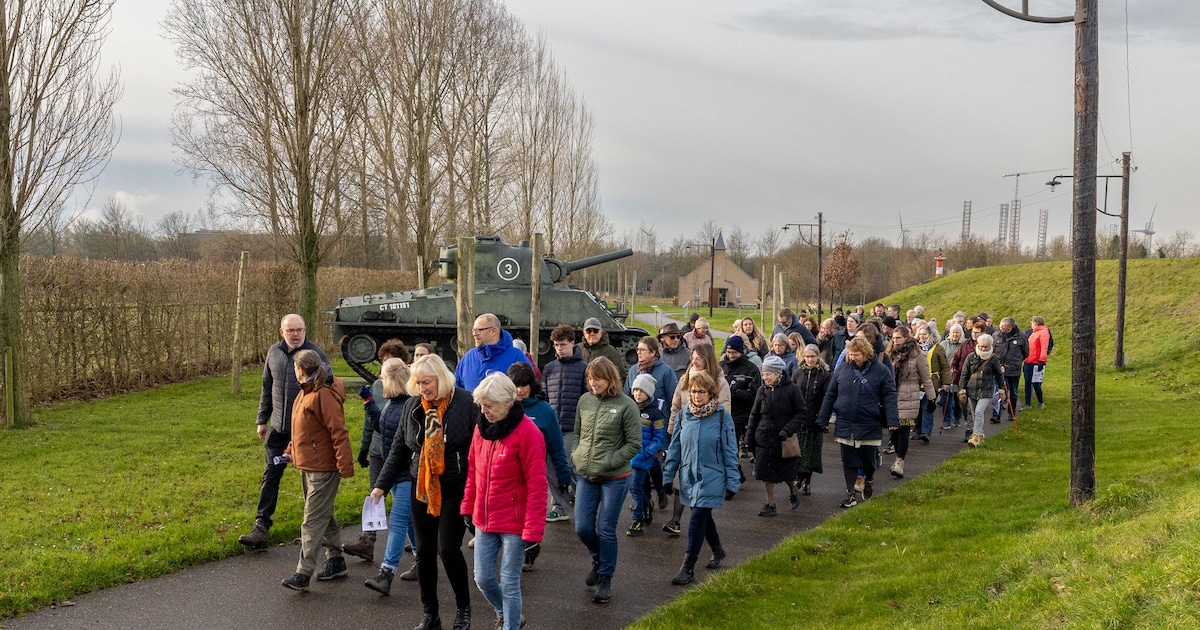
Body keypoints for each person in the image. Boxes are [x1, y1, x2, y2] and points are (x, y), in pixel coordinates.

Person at [372, 354, 478, 630]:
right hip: (422, 487)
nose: (422, 388)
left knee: (448, 549)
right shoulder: (412, 406)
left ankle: (463, 609)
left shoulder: (466, 403)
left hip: (455, 486)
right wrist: (381, 486)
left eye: (426, 382)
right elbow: (399, 448)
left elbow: (479, 449)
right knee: (425, 552)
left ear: (440, 379)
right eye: (417, 383)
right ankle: (430, 615)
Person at [462, 373, 547, 630]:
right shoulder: (480, 428)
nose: (484, 411)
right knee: (483, 579)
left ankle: (510, 624)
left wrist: (532, 531)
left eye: (490, 405)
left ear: (508, 401)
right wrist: (468, 506)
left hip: (515, 523)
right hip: (485, 519)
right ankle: (506, 612)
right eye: (482, 405)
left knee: (509, 582)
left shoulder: (528, 434)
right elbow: (473, 471)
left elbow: (537, 485)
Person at [239, 314, 328, 550]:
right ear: (282, 332)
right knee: (271, 475)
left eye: (300, 330)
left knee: (310, 483)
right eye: (291, 331)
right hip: (278, 429)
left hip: (307, 433)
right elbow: (267, 388)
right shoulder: (273, 353)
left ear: (305, 330)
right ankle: (261, 527)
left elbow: (326, 395)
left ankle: (314, 534)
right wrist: (262, 420)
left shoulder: (316, 356)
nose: (296, 334)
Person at [280, 349, 354, 592]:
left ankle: (303, 572)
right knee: (322, 513)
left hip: (324, 467)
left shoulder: (323, 394)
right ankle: (335, 559)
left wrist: (344, 465)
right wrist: (291, 449)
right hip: (308, 463)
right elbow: (301, 428)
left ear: (301, 370)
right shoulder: (306, 391)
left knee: (312, 519)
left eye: (294, 368)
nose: (294, 371)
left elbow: (339, 432)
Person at [572, 356, 641, 604]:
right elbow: (578, 433)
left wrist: (611, 461)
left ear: (610, 378)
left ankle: (605, 577)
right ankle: (598, 558)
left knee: (606, 529)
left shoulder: (626, 405)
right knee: (581, 527)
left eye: (597, 379)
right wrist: (576, 455)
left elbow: (635, 444)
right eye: (590, 378)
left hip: (615, 477)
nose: (593, 383)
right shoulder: (584, 401)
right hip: (586, 475)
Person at [663, 371, 740, 585]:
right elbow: (675, 448)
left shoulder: (722, 416)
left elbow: (730, 451)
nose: (696, 396)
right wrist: (668, 477)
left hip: (712, 477)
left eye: (701, 392)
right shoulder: (682, 416)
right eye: (693, 391)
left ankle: (688, 567)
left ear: (711, 393)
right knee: (704, 518)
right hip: (689, 476)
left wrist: (733, 482)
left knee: (697, 516)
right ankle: (718, 550)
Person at [345, 339, 411, 563]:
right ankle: (367, 540)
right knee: (374, 494)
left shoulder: (411, 392)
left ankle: (397, 562)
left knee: (401, 514)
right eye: (384, 361)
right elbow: (372, 421)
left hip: (399, 455)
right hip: (378, 449)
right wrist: (364, 447)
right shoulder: (377, 385)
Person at [817, 337, 899, 509]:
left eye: (857, 354)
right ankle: (850, 494)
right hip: (845, 423)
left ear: (866, 353)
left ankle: (868, 479)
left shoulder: (881, 371)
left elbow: (889, 396)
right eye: (851, 354)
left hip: (869, 422)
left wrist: (892, 420)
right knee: (848, 461)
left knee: (868, 460)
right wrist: (823, 418)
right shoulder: (842, 370)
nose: (853, 357)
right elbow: (831, 394)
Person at [363, 358, 419, 594]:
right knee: (407, 521)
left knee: (397, 521)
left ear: (392, 379)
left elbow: (399, 448)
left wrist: (383, 481)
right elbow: (383, 427)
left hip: (405, 474)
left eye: (383, 377)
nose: (380, 380)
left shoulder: (405, 408)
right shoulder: (393, 404)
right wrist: (368, 403)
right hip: (396, 474)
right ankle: (422, 559)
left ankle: (387, 573)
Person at [663, 343, 732, 535]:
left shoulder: (719, 382)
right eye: (692, 357)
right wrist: (672, 430)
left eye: (699, 358)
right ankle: (676, 520)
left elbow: (724, 412)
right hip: (685, 435)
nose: (694, 361)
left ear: (707, 359)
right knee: (681, 480)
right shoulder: (686, 378)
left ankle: (708, 547)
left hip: (708, 440)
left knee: (699, 501)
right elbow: (676, 404)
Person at [508, 362, 574, 530]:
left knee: (553, 475)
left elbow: (556, 445)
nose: (520, 390)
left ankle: (560, 507)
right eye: (516, 385)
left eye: (524, 385)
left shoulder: (544, 410)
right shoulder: (504, 407)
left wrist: (563, 473)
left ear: (532, 385)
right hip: (510, 464)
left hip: (538, 462)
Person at [745, 355, 804, 515]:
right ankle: (770, 504)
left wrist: (788, 429)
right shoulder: (761, 390)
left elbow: (801, 412)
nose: (765, 377)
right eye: (763, 374)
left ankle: (793, 490)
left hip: (782, 440)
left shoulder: (792, 390)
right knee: (765, 474)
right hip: (763, 439)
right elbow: (754, 415)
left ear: (778, 374)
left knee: (786, 474)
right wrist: (749, 438)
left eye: (768, 374)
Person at [886, 325, 934, 479]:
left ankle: (900, 461)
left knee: (904, 431)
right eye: (894, 338)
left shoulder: (917, 355)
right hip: (891, 396)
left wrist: (931, 397)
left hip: (909, 396)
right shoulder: (890, 354)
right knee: (893, 430)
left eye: (898, 338)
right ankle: (897, 456)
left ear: (907, 338)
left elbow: (926, 378)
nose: (895, 341)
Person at [625, 373, 667, 537]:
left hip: (642, 457)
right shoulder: (629, 408)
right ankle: (647, 504)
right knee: (633, 488)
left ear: (649, 393)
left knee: (635, 489)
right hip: (627, 456)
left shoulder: (655, 413)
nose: (637, 394)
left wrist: (647, 452)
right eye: (635, 390)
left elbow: (658, 437)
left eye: (641, 391)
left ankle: (637, 520)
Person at [542, 324, 587, 465]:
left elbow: (587, 399)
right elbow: (544, 398)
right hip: (552, 427)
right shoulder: (549, 368)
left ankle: (575, 488)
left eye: (563, 344)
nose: (559, 348)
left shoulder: (584, 368)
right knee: (550, 467)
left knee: (569, 465)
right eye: (556, 345)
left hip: (573, 428)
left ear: (572, 343)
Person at [791, 344, 830, 495]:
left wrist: (822, 417)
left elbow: (826, 397)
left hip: (815, 418)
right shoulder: (797, 373)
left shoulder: (824, 375)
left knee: (811, 454)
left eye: (813, 356)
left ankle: (806, 480)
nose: (810, 359)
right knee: (798, 452)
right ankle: (799, 477)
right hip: (799, 419)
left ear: (818, 357)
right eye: (807, 356)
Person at [455, 313, 531, 391]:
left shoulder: (517, 357)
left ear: (493, 331)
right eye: (474, 330)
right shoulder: (468, 357)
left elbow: (528, 390)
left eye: (479, 330)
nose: (475, 334)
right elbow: (457, 388)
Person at [719, 334, 761, 458]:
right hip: (722, 411)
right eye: (728, 352)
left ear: (741, 351)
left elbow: (754, 393)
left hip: (741, 413)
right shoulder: (721, 367)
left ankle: (735, 473)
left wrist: (733, 394)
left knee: (731, 445)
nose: (731, 356)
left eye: (734, 352)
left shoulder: (751, 369)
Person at [959, 334, 1004, 447]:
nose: (983, 349)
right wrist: (962, 389)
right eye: (981, 346)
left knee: (979, 411)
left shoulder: (993, 359)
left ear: (990, 346)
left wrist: (1001, 389)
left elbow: (999, 375)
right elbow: (964, 374)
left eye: (986, 347)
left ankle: (975, 436)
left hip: (986, 390)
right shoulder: (970, 357)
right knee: (974, 413)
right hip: (972, 389)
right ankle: (981, 435)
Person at [917, 324, 951, 437]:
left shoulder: (938, 348)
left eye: (924, 334)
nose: (922, 336)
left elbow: (945, 366)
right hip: (916, 382)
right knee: (917, 408)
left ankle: (926, 431)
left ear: (930, 335)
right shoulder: (915, 347)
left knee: (928, 406)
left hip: (932, 382)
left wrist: (946, 383)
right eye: (920, 334)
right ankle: (918, 430)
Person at [624, 335, 679, 404]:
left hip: (658, 413)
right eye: (637, 349)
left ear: (653, 352)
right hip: (636, 413)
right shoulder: (633, 370)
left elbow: (673, 398)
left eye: (642, 350)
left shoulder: (666, 371)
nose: (638, 352)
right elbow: (626, 396)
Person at [994, 317, 1029, 421]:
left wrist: (1016, 361)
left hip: (1013, 369)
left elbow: (1026, 352)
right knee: (998, 391)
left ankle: (1011, 413)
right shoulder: (996, 335)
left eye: (1002, 327)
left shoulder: (1021, 337)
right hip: (999, 368)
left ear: (1009, 327)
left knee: (1013, 392)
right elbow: (993, 350)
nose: (1000, 328)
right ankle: (996, 414)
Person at [581, 317, 627, 384]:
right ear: (584, 333)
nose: (592, 333)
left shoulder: (611, 352)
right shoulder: (578, 349)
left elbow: (620, 376)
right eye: (589, 331)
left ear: (601, 332)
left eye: (595, 331)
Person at [940, 324, 966, 429]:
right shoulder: (943, 344)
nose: (955, 334)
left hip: (958, 376)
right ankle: (946, 421)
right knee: (946, 399)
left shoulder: (964, 345)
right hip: (946, 375)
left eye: (957, 332)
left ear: (961, 334)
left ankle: (957, 418)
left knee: (957, 399)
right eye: (953, 332)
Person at [1024, 316, 1051, 409]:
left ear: (1035, 323)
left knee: (1036, 383)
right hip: (1029, 361)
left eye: (1032, 322)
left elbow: (1044, 347)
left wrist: (1042, 360)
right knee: (1027, 382)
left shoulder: (1043, 332)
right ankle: (1027, 403)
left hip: (1037, 362)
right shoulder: (1034, 333)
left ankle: (1041, 402)